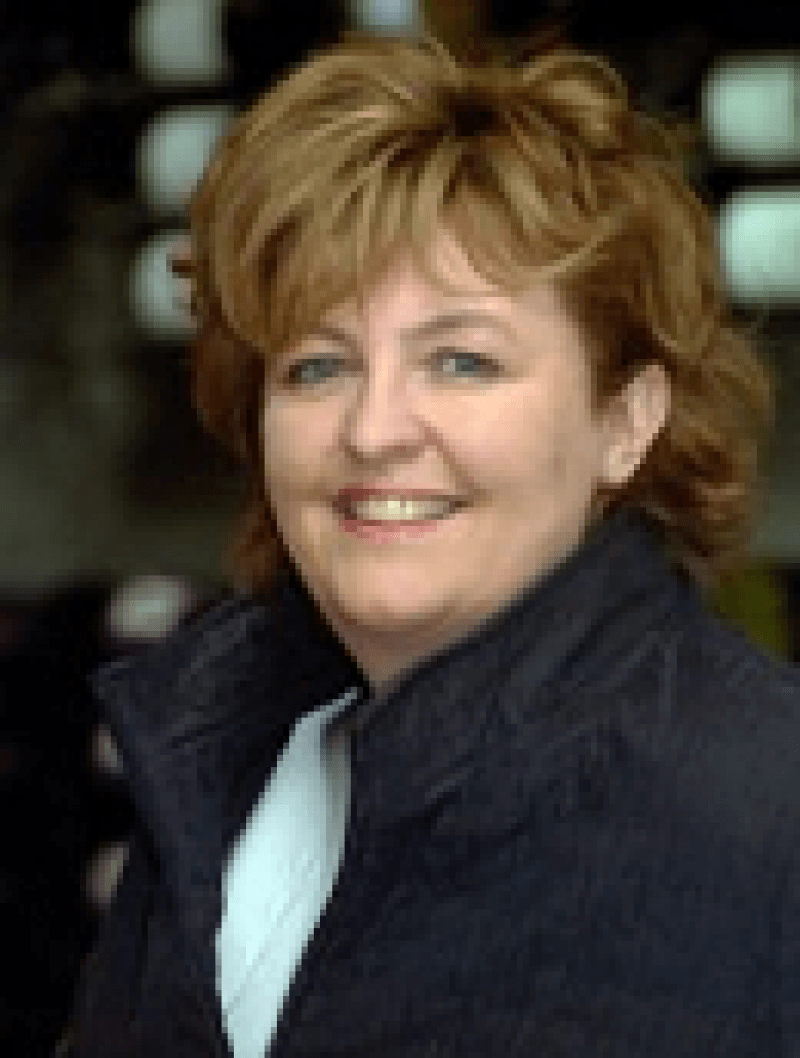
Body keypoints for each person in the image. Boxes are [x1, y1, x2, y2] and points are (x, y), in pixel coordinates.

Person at [60, 32, 800, 1058]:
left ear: (625, 420)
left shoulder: (769, 807)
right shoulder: (218, 771)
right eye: (317, 367)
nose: (373, 430)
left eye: (460, 360)